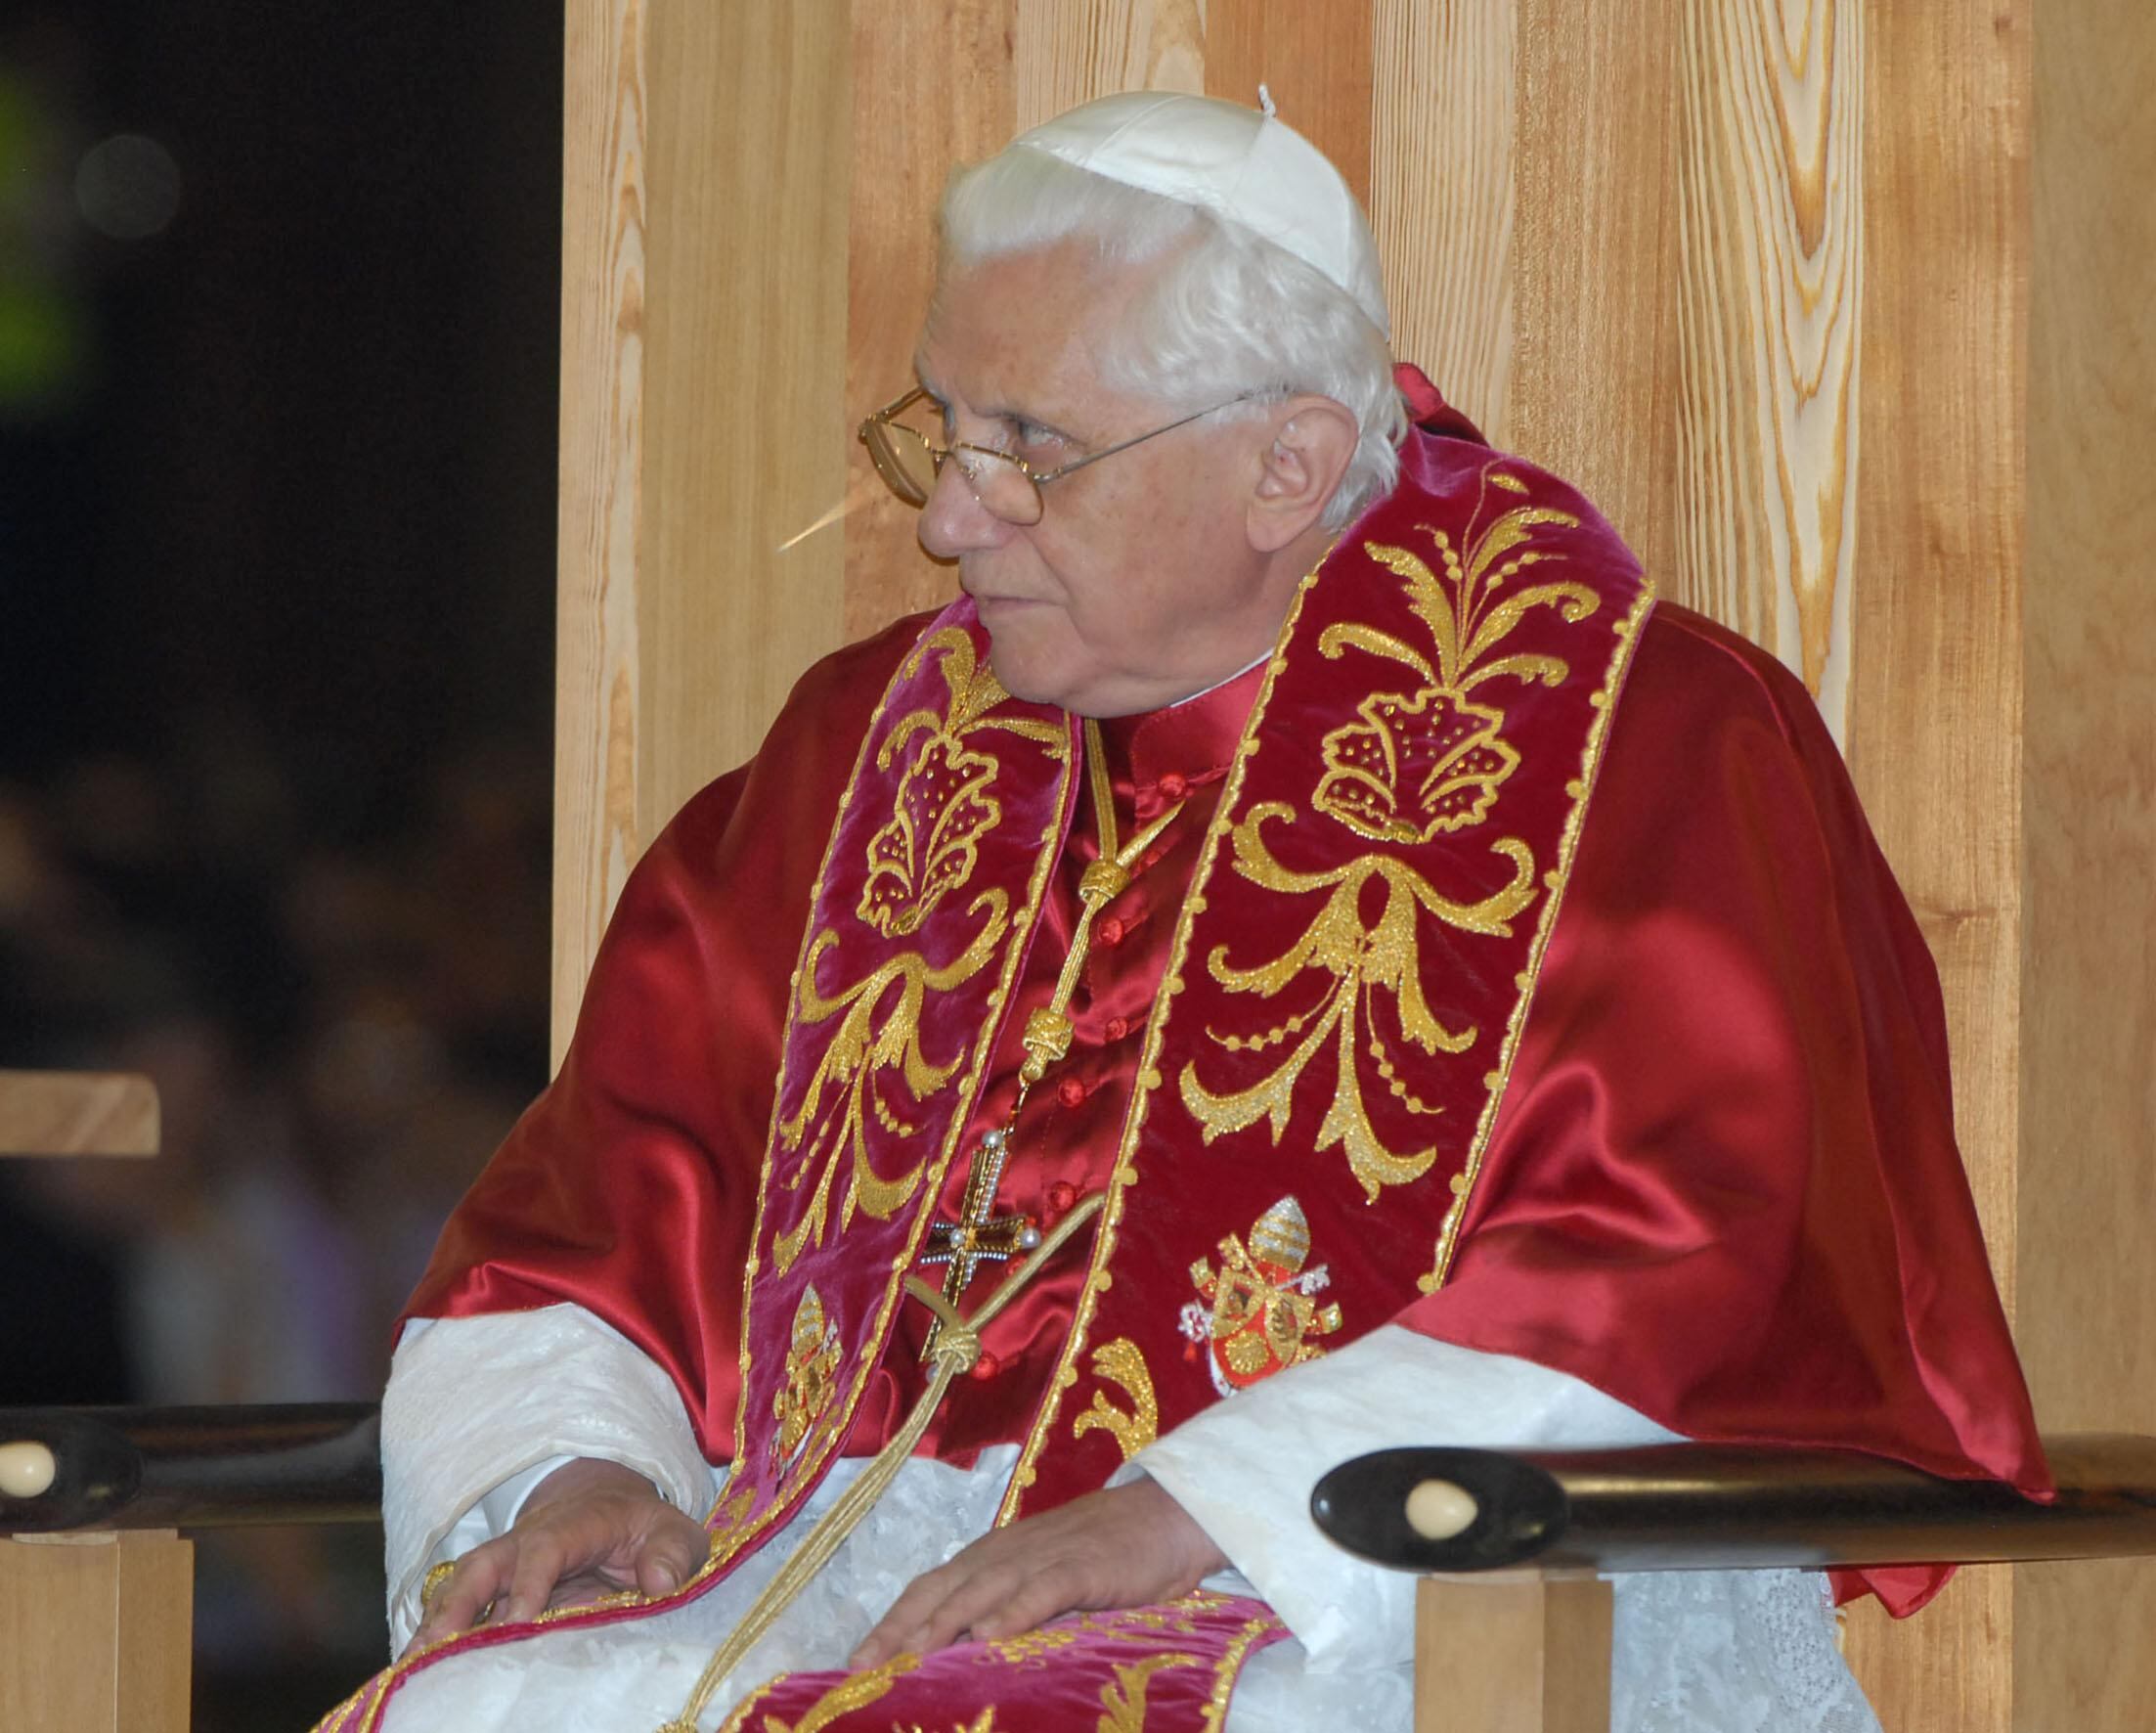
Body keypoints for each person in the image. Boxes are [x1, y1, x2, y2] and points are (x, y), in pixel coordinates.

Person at [318, 91, 2046, 1733]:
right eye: (942, 427)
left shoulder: (1627, 743)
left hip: (1381, 1577)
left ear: (1286, 466)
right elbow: (607, 1197)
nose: (946, 521)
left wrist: (1190, 1508)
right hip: (853, 1565)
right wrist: (584, 1472)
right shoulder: (861, 757)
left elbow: (1678, 1252)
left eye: (1027, 451)